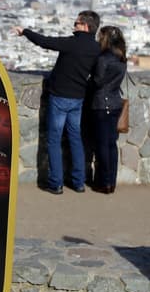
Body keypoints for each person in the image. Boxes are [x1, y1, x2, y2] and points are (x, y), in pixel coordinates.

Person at [17, 11, 100, 194]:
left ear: (85, 26)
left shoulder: (71, 43)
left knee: (54, 140)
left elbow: (44, 41)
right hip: (78, 98)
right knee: (75, 138)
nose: (74, 26)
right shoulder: (96, 48)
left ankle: (56, 183)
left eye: (76, 23)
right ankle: (79, 182)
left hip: (60, 96)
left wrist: (25, 32)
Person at [89, 26, 127, 194]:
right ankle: (111, 181)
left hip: (101, 104)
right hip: (115, 103)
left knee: (102, 145)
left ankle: (103, 182)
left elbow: (97, 82)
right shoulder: (121, 58)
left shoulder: (103, 59)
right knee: (111, 144)